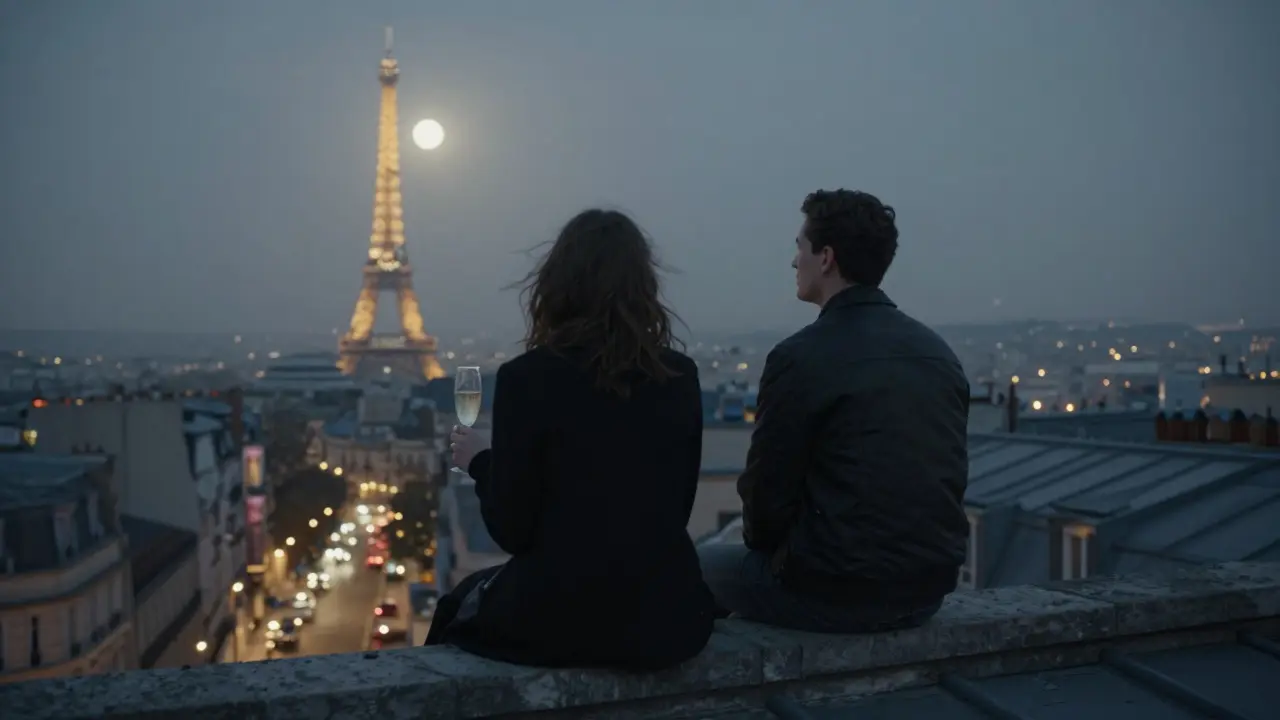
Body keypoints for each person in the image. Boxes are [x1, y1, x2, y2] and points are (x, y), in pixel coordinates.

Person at [427, 208, 716, 670]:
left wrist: (482, 462)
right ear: (644, 286)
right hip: (666, 619)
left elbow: (513, 531)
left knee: (454, 612)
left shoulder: (527, 379)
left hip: (561, 619)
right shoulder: (680, 376)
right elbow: (673, 510)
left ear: (555, 285)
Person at [698, 189, 970, 634]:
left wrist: (774, 554)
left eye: (799, 248)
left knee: (687, 568)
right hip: (927, 592)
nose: (793, 261)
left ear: (826, 258)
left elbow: (766, 498)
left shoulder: (801, 357)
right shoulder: (937, 353)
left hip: (835, 591)